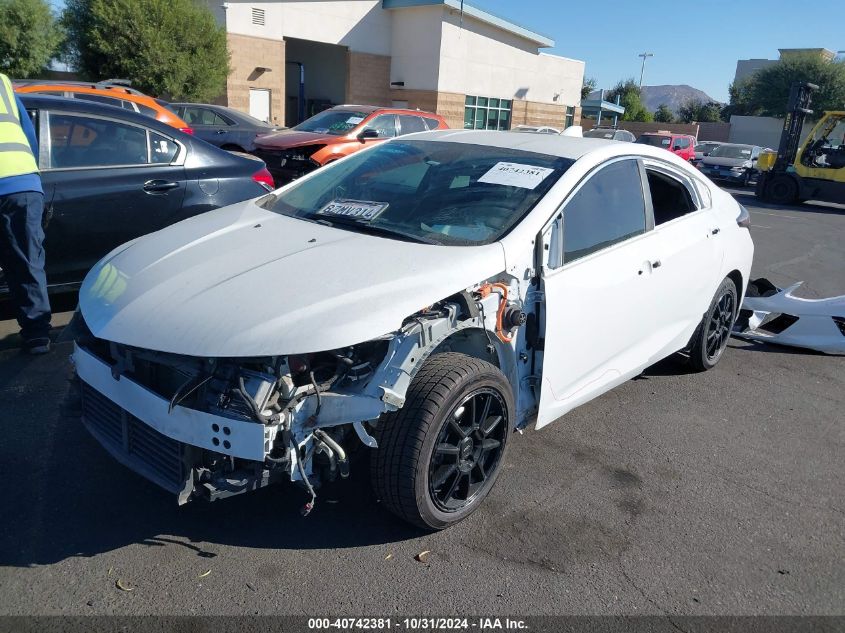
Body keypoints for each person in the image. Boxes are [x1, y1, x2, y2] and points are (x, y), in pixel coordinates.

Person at [0, 73, 51, 354]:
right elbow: (27, 131)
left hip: (16, 182)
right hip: (22, 183)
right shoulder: (3, 82)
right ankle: (37, 336)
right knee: (28, 262)